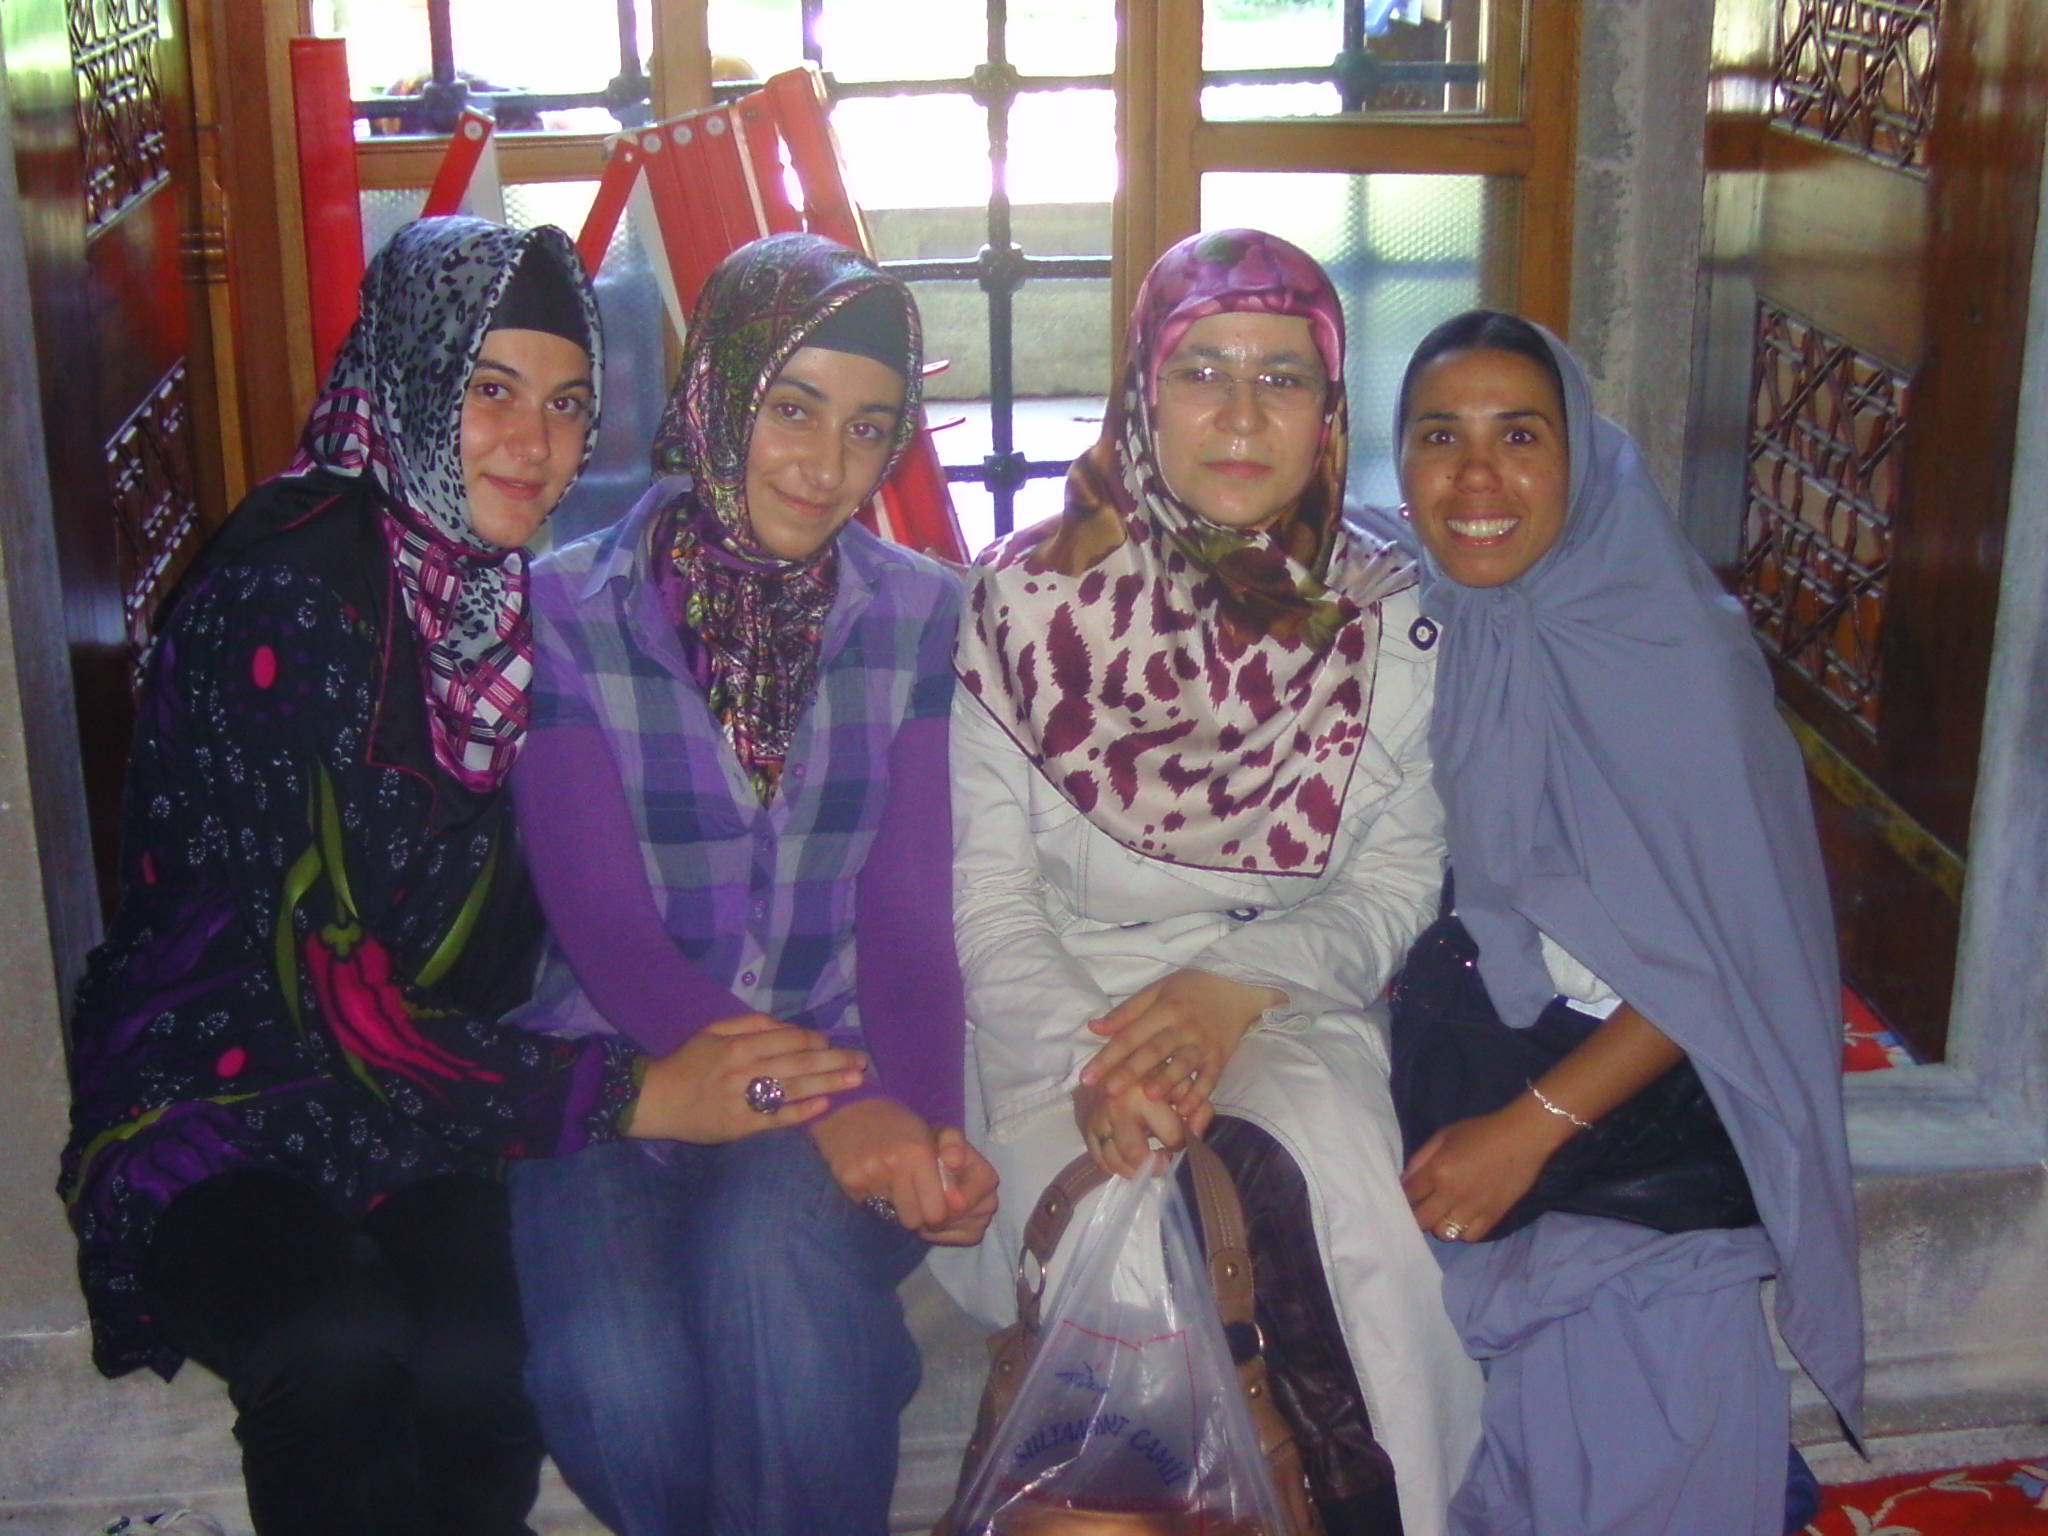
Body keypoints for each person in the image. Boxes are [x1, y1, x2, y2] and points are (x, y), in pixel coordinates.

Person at [54, 217, 860, 1536]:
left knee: (489, 1353)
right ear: (411, 380)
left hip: (422, 1097)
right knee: (333, 1338)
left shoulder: (491, 595)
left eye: (567, 404)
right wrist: (626, 1092)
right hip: (225, 1083)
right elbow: (317, 984)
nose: (534, 445)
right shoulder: (294, 584)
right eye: (491, 390)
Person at [932, 228, 1483, 1536]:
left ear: (1329, 410)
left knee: (1352, 1224)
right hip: (1061, 1021)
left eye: (1281, 377)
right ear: (1142, 392)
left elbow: (1393, 884)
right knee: (1136, 1228)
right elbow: (991, 902)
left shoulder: (1389, 619)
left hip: (1282, 997)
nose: (1241, 415)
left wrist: (1234, 987)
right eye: (1202, 372)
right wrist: (1099, 1065)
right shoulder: (1020, 604)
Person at [502, 231, 999, 1536]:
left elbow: (907, 922)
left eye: (868, 428)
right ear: (718, 393)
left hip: (846, 1059)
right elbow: (609, 938)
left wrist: (918, 1128)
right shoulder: (561, 612)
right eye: (793, 408)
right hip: (612, 1075)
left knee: (769, 1278)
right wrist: (813, 1104)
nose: (826, 465)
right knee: (612, 1380)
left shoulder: (923, 616)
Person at [1384, 309, 1864, 1535]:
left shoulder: (1670, 656)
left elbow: (1732, 959)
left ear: (1582, 457)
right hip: (1482, 1071)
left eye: (1518, 436)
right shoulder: (1430, 623)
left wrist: (1528, 1130)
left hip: (1643, 1107)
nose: (1475, 478)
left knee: (1623, 1430)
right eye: (1438, 437)